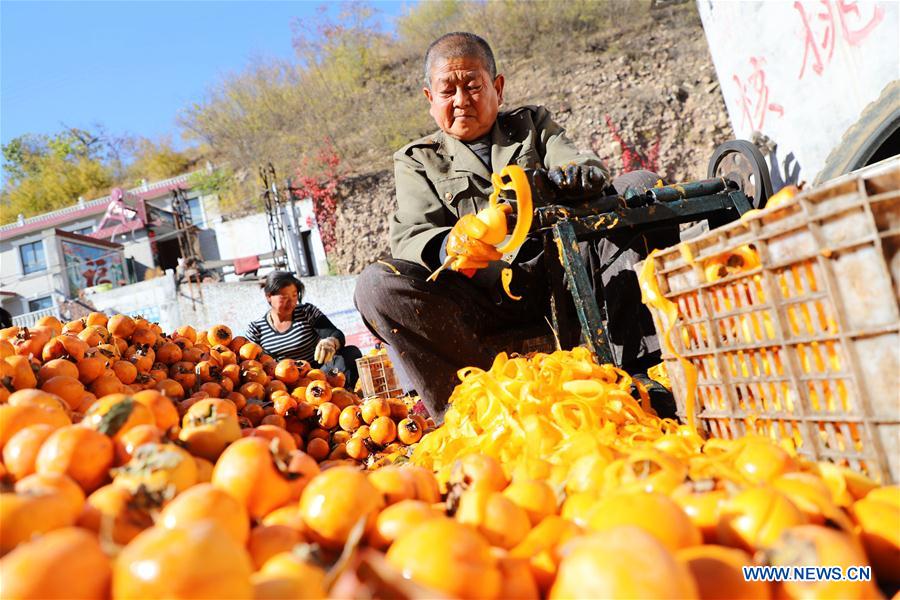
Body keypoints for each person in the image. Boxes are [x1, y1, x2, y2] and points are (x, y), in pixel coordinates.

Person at [354, 32, 677, 422]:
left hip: (563, 275)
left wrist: (578, 178)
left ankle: (639, 369)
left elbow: (578, 162)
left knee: (640, 187)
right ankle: (473, 406)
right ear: (430, 99)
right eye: (448, 91)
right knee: (377, 285)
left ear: (498, 87)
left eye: (473, 86)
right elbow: (411, 234)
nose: (461, 100)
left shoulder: (531, 126)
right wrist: (450, 244)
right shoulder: (418, 161)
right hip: (482, 297)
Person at [247, 271, 361, 388]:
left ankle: (342, 393)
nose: (291, 302)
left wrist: (330, 342)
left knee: (351, 353)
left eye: (294, 295)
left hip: (320, 374)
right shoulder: (256, 329)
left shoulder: (306, 312)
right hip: (287, 386)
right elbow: (250, 361)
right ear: (269, 296)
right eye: (284, 297)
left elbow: (335, 333)